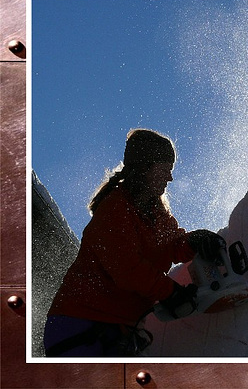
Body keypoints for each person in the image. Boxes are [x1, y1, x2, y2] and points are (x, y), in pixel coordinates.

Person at [44, 128, 222, 357]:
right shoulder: (115, 208)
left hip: (113, 329)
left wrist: (196, 241)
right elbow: (127, 269)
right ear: (146, 167)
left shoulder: (156, 214)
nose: (170, 177)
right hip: (78, 327)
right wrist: (171, 292)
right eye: (165, 168)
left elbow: (173, 244)